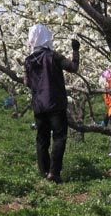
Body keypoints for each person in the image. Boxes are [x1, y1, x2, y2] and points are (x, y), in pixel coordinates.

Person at [23, 24, 80, 183]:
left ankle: (44, 171)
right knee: (59, 137)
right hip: (55, 103)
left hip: (39, 105)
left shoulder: (28, 61)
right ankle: (54, 172)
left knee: (42, 138)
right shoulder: (53, 56)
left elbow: (27, 82)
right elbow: (73, 68)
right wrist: (75, 50)